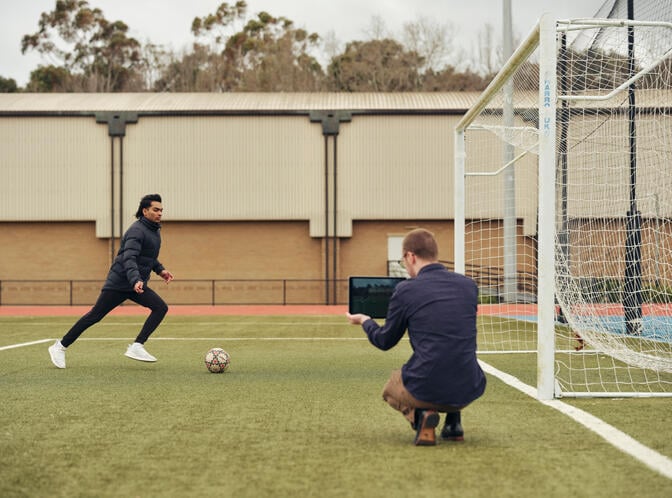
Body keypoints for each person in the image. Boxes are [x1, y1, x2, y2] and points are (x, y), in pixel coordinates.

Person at [346, 228, 486, 446]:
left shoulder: (406, 290)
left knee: (391, 388)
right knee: (451, 356)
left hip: (427, 386)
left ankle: (421, 418)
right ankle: (453, 424)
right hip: (471, 385)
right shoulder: (468, 286)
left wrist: (366, 321)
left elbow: (384, 341)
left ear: (410, 256)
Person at [48, 194, 174, 368]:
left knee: (160, 308)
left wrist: (161, 270)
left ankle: (137, 346)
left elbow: (148, 257)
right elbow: (129, 257)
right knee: (95, 316)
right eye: (156, 210)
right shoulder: (137, 231)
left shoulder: (154, 231)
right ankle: (59, 347)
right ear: (145, 211)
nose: (160, 213)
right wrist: (135, 279)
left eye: (161, 210)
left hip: (135, 284)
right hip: (120, 282)